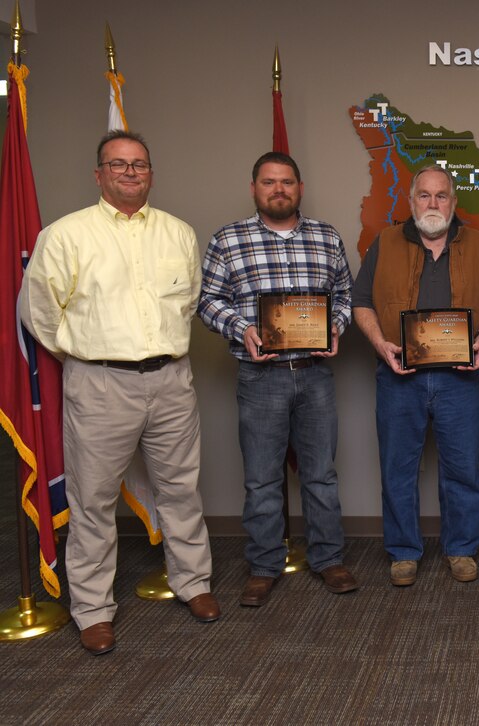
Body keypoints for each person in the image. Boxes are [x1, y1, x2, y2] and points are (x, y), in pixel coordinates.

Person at [18, 130, 219, 655]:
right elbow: (39, 312)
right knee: (93, 500)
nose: (130, 173)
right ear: (99, 174)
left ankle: (193, 582)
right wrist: (89, 355)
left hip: (172, 380)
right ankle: (92, 609)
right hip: (100, 382)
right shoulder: (65, 235)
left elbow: (189, 299)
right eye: (119, 164)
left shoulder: (178, 233)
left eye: (140, 165)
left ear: (150, 173)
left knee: (180, 488)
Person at [199, 151, 358, 608]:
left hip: (314, 376)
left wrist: (336, 326)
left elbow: (344, 294)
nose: (278, 189)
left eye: (287, 181)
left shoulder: (327, 237)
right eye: (269, 182)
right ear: (254, 188)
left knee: (321, 476)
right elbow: (207, 300)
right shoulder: (228, 240)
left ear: (300, 188)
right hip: (260, 376)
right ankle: (265, 565)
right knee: (263, 479)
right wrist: (240, 328)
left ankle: (328, 559)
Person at [353, 164, 479, 586]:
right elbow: (360, 301)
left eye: (441, 196)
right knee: (398, 469)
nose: (433, 203)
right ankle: (403, 552)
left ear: (453, 203)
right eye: (424, 195)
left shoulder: (478, 244)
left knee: (462, 470)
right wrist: (380, 344)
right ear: (411, 201)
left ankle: (461, 549)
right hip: (398, 376)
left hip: (460, 378)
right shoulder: (383, 243)